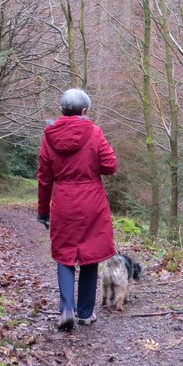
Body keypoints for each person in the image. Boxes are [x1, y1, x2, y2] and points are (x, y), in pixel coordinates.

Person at [37, 88, 118, 331]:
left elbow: (44, 178)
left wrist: (43, 211)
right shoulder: (94, 132)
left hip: (63, 201)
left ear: (62, 110)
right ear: (84, 111)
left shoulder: (49, 137)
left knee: (64, 254)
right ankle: (84, 313)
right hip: (91, 200)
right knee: (90, 254)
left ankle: (66, 310)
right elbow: (110, 165)